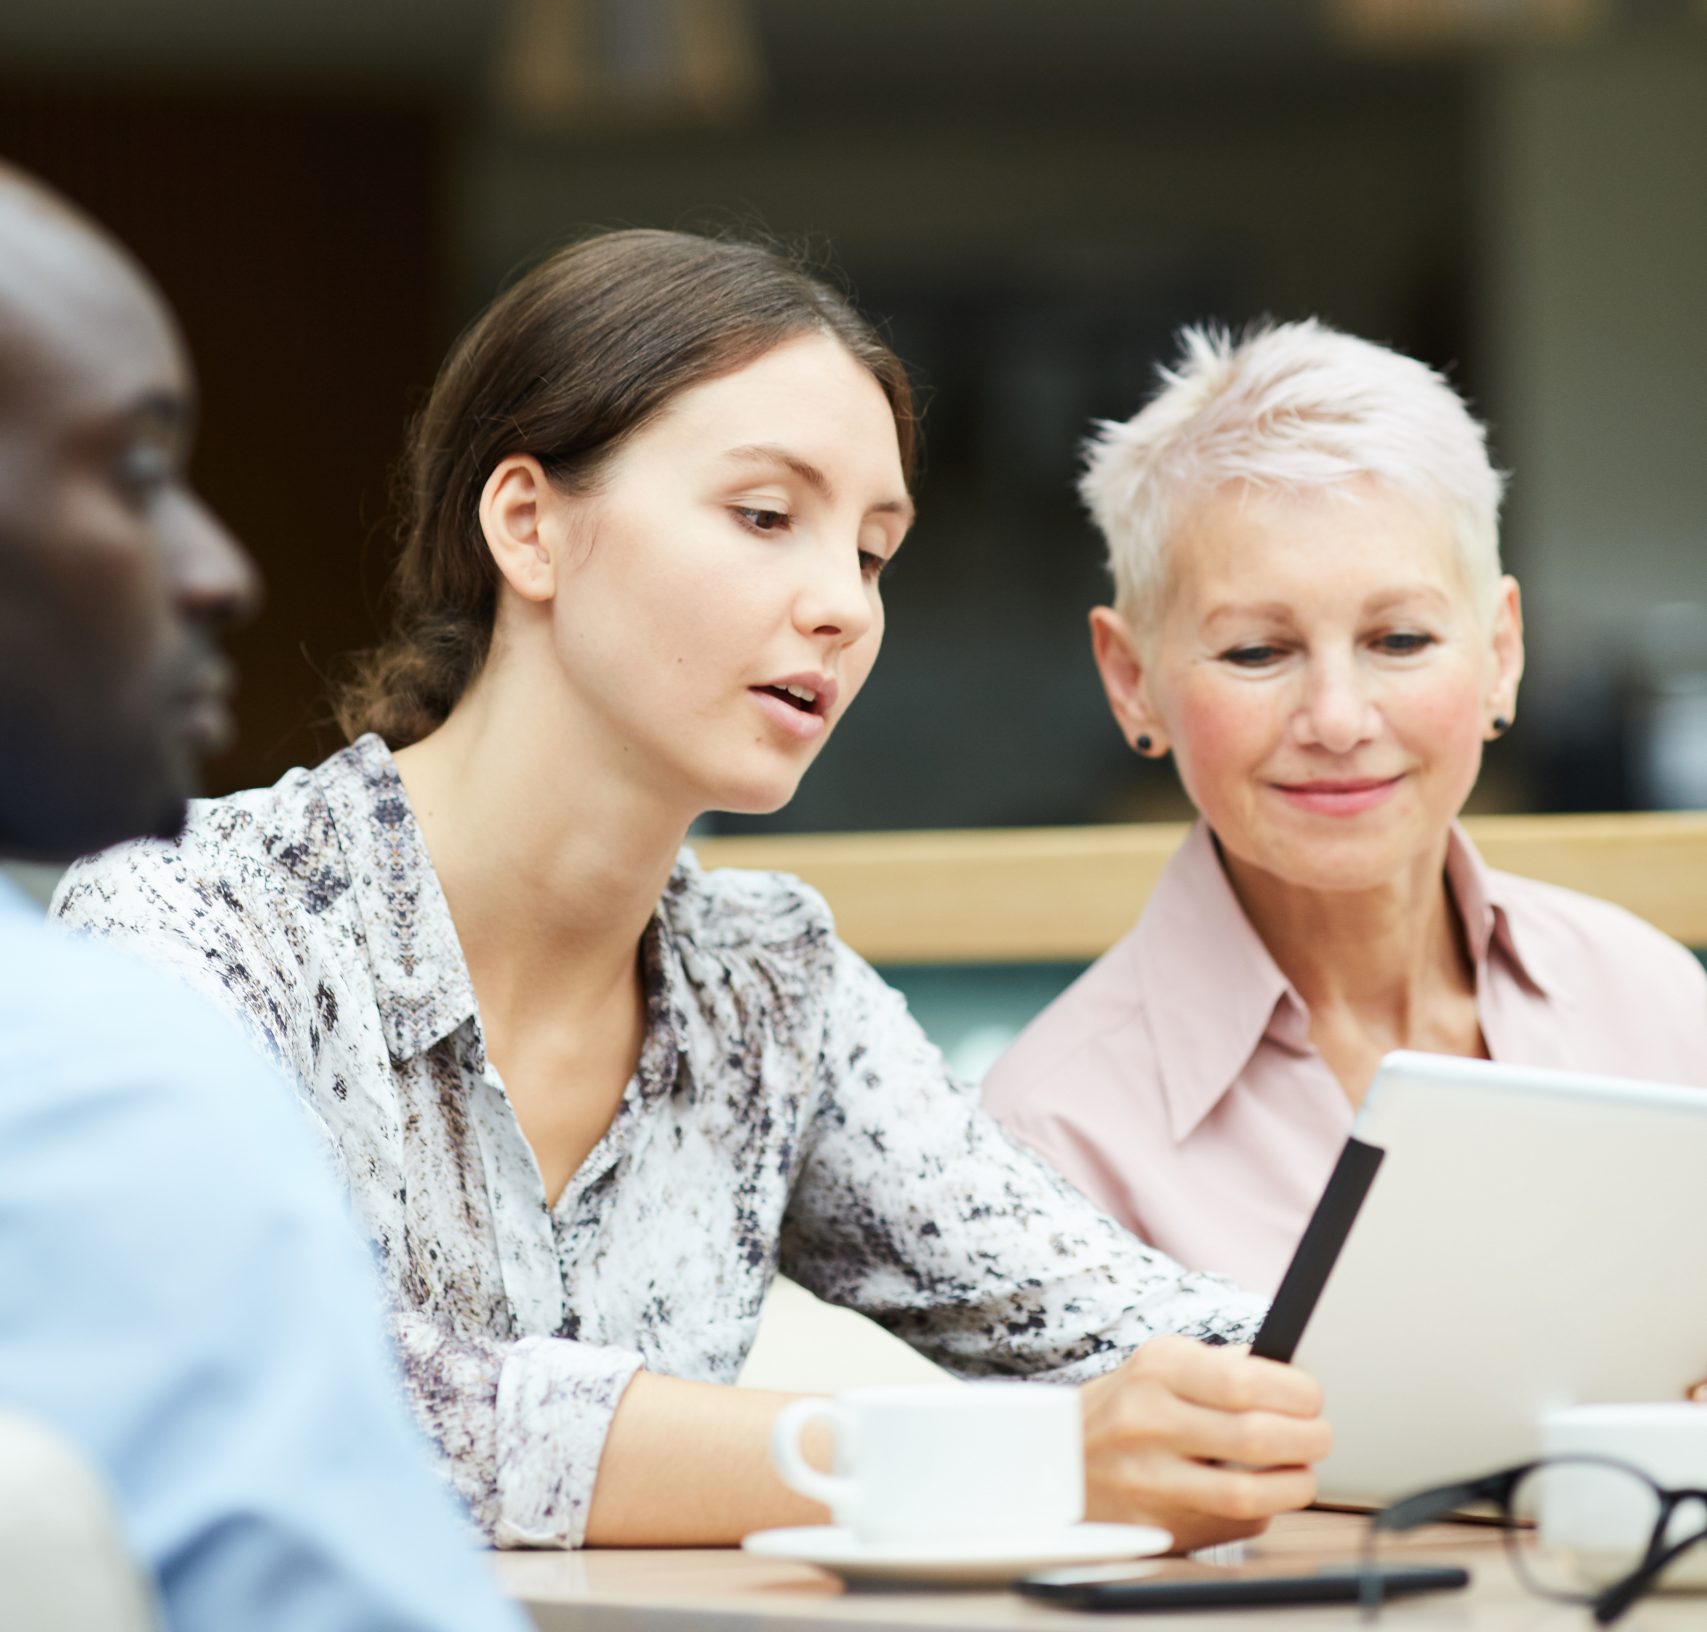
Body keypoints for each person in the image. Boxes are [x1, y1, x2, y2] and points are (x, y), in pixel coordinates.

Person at [57, 229, 1330, 1555]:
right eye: (766, 516)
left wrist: (1425, 1382)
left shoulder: (769, 984)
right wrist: (1016, 1463)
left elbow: (1104, 1317)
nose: (840, 603)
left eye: (873, 552)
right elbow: (328, 1400)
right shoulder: (191, 925)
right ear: (528, 526)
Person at [0, 163, 525, 1632]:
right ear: (522, 530)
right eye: (138, 477)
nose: (220, 570)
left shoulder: (767, 957)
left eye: (875, 550)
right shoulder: (96, 1071)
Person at [984, 320, 1707, 1298]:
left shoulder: (1658, 1009)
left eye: (1400, 638)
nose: (1335, 717)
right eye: (1256, 651)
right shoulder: (1054, 1131)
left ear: (1501, 652)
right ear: (1132, 680)